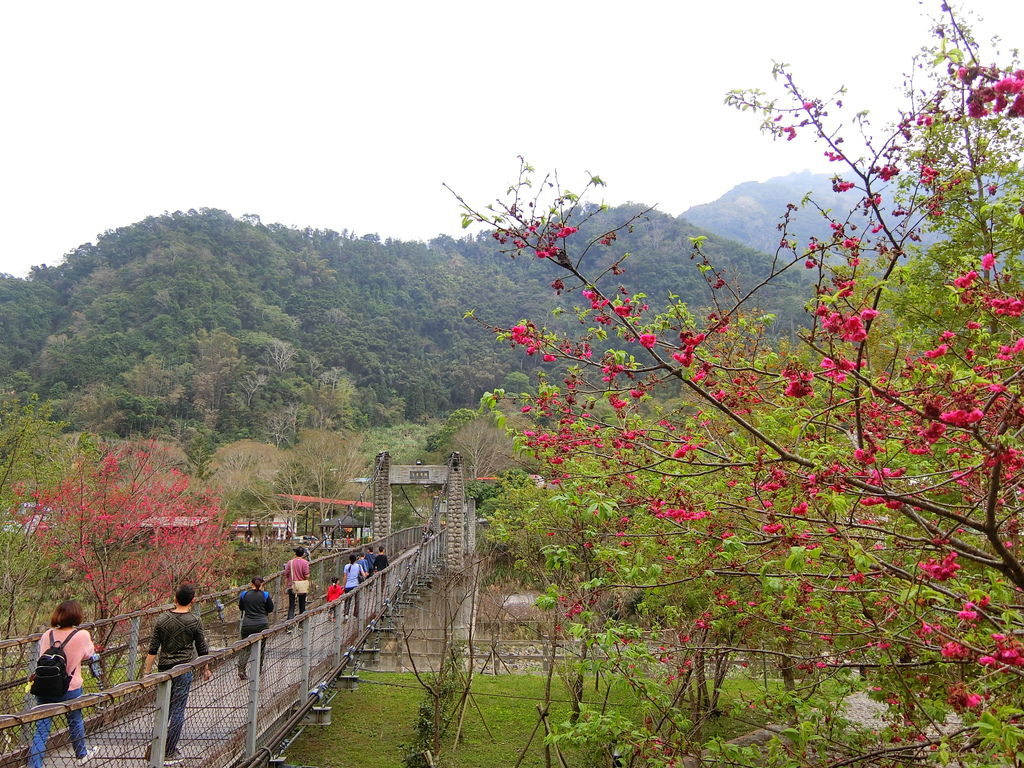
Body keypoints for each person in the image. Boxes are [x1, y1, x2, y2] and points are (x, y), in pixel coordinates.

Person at [142, 585, 211, 766]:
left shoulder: (162, 619)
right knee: (178, 709)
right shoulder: (195, 621)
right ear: (192, 600)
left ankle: (157, 743)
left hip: (164, 669)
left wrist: (147, 672)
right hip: (184, 669)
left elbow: (153, 649)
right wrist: (206, 668)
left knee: (163, 707)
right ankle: (170, 750)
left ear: (175, 598)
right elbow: (202, 648)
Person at [28, 600, 98, 768]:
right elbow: (89, 654)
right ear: (77, 615)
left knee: (42, 728)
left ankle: (34, 764)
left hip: (44, 687)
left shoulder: (47, 635)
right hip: (70, 687)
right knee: (75, 720)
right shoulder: (81, 635)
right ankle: (81, 753)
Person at [237, 577, 274, 680]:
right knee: (261, 647)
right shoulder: (265, 595)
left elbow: (241, 608)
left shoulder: (244, 594)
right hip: (262, 624)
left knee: (245, 647)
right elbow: (270, 609)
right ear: (262, 584)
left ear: (251, 584)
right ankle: (258, 669)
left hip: (247, 624)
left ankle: (241, 669)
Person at [284, 547, 311, 620]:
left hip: (292, 586)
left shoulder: (290, 562)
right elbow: (307, 575)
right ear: (303, 554)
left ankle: (289, 625)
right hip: (302, 586)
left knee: (291, 606)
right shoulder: (305, 563)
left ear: (295, 553)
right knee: (302, 605)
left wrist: (286, 586)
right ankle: (302, 623)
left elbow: (286, 574)